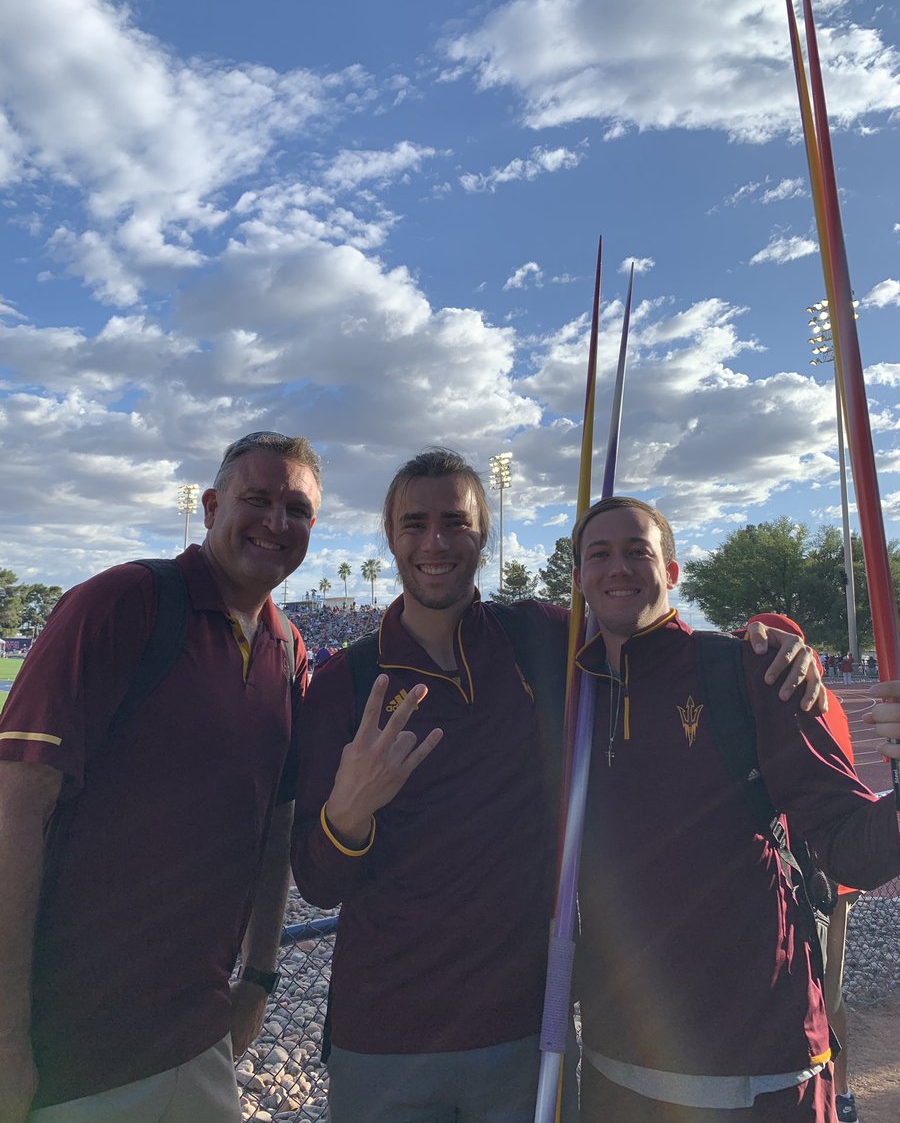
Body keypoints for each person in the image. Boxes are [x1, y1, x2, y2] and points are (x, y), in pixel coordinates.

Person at [291, 450, 825, 1123]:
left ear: (482, 533)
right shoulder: (345, 680)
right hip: (385, 1035)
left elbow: (652, 632)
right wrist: (348, 815)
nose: (434, 542)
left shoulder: (539, 640)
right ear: (390, 536)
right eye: (414, 523)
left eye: (455, 522)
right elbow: (316, 881)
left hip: (519, 1033)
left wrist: (773, 637)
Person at [0, 431, 321, 1123]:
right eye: (256, 499)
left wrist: (259, 982)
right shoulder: (123, 603)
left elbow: (276, 830)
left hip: (198, 1041)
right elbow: (16, 811)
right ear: (209, 507)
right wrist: (5, 1037)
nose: (275, 522)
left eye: (296, 508)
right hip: (70, 1053)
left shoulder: (289, 649)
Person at [570, 497, 900, 1123]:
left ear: (671, 572)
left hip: (760, 1071)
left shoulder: (748, 668)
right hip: (618, 1070)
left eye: (638, 550)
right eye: (599, 554)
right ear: (580, 580)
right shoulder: (570, 686)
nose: (618, 568)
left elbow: (849, 839)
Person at [747, 615, 863, 1123]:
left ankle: (827, 1092)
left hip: (811, 872)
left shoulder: (795, 699)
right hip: (836, 870)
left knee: (814, 992)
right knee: (828, 992)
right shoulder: (821, 695)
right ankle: (844, 1094)